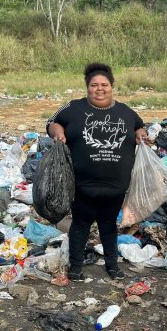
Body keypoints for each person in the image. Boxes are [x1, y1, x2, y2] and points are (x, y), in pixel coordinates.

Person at [47, 62, 147, 281]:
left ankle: (112, 266)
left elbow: (139, 126)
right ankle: (75, 267)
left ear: (112, 86)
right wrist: (58, 133)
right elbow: (52, 122)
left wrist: (141, 134)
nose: (99, 89)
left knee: (108, 225)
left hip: (115, 186)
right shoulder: (73, 107)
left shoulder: (125, 111)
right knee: (80, 224)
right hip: (82, 185)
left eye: (104, 85)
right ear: (87, 87)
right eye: (94, 85)